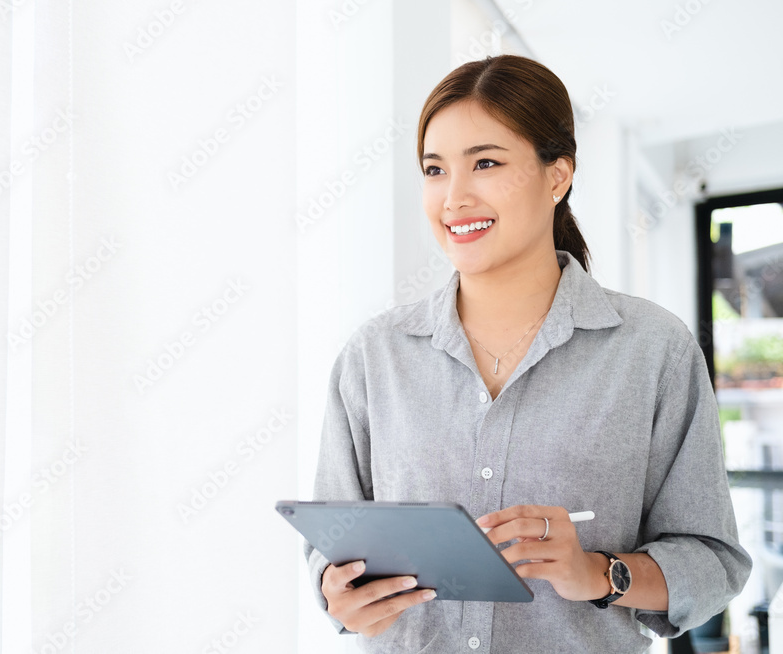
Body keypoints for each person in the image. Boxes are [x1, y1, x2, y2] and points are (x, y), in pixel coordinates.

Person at [303, 54, 752, 653]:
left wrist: (596, 573)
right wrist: (336, 591)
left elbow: (713, 561)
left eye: (485, 163)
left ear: (557, 176)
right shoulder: (373, 357)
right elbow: (329, 545)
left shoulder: (654, 351)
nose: (454, 197)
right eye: (434, 170)